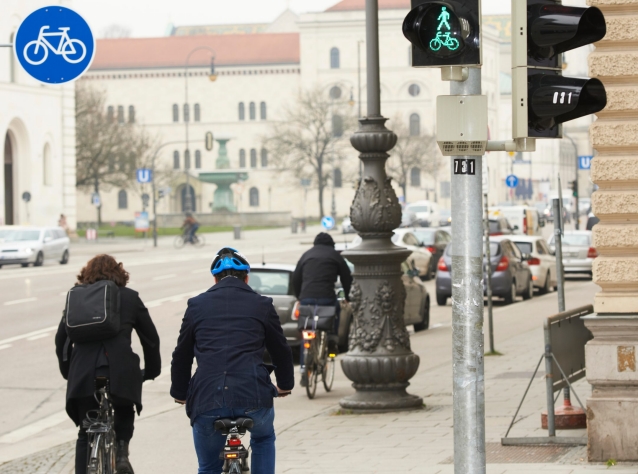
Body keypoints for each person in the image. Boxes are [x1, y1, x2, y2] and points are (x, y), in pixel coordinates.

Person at [171, 247, 294, 474]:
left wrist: (180, 392)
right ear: (247, 278)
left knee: (208, 467)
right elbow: (281, 350)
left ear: (214, 280)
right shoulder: (263, 304)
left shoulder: (196, 305)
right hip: (254, 394)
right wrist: (285, 385)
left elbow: (182, 355)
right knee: (263, 438)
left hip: (208, 397)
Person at [55, 255, 161, 474]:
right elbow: (150, 339)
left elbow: (62, 342)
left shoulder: (76, 299)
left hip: (83, 374)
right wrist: (151, 371)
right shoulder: (130, 298)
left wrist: (69, 373)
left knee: (85, 432)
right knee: (123, 408)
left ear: (86, 275)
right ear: (120, 274)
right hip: (120, 372)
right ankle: (122, 452)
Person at [292, 232, 352, 384]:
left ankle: (304, 368)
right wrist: (348, 296)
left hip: (307, 299)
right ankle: (331, 338)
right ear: (331, 244)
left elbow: (296, 278)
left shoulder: (306, 255)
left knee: (307, 331)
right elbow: (347, 278)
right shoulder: (335, 256)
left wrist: (300, 297)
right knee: (336, 309)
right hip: (326, 298)